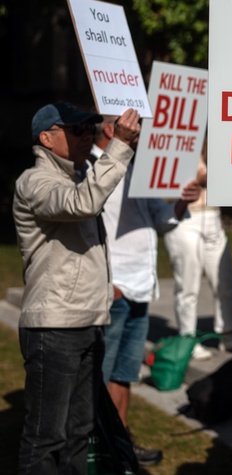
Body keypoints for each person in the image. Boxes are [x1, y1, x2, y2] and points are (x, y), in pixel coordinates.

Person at [14, 103, 140, 474]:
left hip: (86, 320)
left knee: (79, 434)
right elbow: (81, 204)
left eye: (89, 126)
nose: (87, 134)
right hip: (54, 326)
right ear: (47, 138)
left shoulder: (79, 175)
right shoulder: (35, 182)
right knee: (45, 438)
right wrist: (120, 146)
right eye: (76, 129)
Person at [91, 116, 201, 466]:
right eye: (130, 122)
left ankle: (120, 442)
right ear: (110, 128)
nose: (140, 129)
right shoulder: (91, 170)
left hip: (140, 287)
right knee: (99, 376)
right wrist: (106, 283)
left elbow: (162, 218)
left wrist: (182, 202)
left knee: (124, 373)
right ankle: (96, 447)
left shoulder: (139, 168)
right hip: (113, 288)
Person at [163, 148, 232, 359]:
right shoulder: (174, 141)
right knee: (188, 284)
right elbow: (161, 188)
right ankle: (187, 337)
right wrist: (196, 180)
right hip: (185, 218)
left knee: (226, 281)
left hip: (213, 215)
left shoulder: (212, 144)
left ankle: (228, 333)